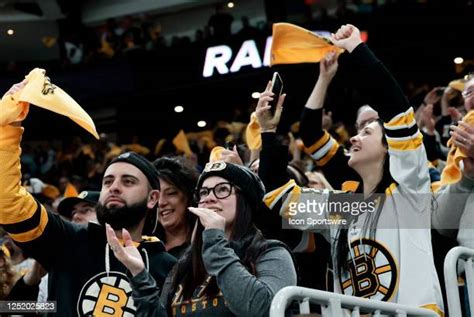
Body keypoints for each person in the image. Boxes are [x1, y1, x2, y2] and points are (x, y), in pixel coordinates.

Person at [257, 24, 452, 315]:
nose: (353, 137)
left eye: (368, 132)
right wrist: (268, 132)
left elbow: (395, 108)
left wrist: (358, 50)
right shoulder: (342, 208)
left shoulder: (410, 192)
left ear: (390, 147)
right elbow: (278, 196)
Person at [0, 80, 176, 316]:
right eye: (107, 181)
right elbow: (14, 310)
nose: (114, 187)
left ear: (153, 198)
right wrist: (6, 126)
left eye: (128, 181)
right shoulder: (66, 241)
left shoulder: (169, 267)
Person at [106, 161, 297, 316]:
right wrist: (139, 275)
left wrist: (215, 239)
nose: (209, 198)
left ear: (245, 199)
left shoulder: (271, 253)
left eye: (222, 189)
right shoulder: (185, 264)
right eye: (204, 192)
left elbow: (261, 309)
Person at [153, 157, 198, 258]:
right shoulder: (146, 247)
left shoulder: (205, 247)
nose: (161, 203)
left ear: (189, 196)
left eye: (171, 193)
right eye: (155, 196)